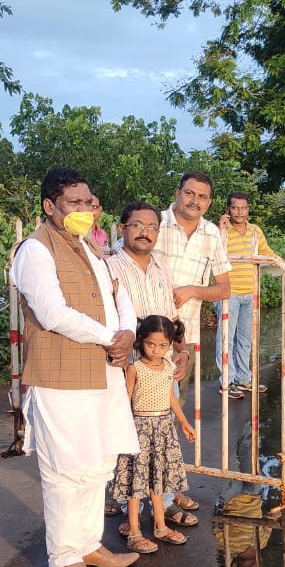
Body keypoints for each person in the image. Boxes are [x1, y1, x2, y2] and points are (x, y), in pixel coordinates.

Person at [10, 167, 142, 567]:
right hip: (61, 374)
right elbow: (52, 312)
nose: (84, 210)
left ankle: (88, 545)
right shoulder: (35, 250)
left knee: (98, 462)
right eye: (74, 203)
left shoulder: (92, 247)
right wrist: (111, 337)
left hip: (104, 369)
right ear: (50, 207)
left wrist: (127, 333)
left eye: (88, 202)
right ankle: (64, 559)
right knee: (65, 468)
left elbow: (121, 296)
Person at [105, 200, 195, 520]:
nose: (145, 232)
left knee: (159, 435)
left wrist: (181, 351)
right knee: (120, 428)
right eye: (137, 226)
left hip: (159, 367)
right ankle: (120, 494)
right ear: (122, 228)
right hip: (122, 366)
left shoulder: (162, 268)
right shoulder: (109, 268)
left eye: (152, 227)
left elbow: (173, 318)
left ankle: (163, 501)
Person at [111, 316, 197, 552]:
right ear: (141, 341)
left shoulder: (169, 367)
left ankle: (160, 526)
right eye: (150, 344)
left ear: (170, 345)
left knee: (158, 479)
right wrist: (121, 426)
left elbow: (171, 396)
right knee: (135, 481)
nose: (156, 350)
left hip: (163, 428)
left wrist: (184, 422)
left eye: (162, 346)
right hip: (139, 428)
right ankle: (135, 531)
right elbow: (126, 397)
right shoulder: (134, 368)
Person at [154, 170, 232, 397]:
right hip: (146, 330)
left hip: (184, 336)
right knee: (139, 403)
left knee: (177, 401)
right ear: (177, 193)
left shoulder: (211, 233)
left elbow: (225, 289)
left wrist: (193, 291)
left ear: (209, 202)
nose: (194, 201)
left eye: (202, 197)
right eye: (189, 193)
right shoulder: (153, 222)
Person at [216, 192, 275, 399]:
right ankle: (227, 382)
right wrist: (220, 228)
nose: (239, 212)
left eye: (243, 207)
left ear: (248, 209)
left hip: (249, 293)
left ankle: (243, 378)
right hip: (227, 293)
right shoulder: (221, 232)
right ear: (228, 209)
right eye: (235, 207)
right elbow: (212, 252)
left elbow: (266, 252)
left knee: (245, 339)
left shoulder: (254, 231)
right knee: (226, 339)